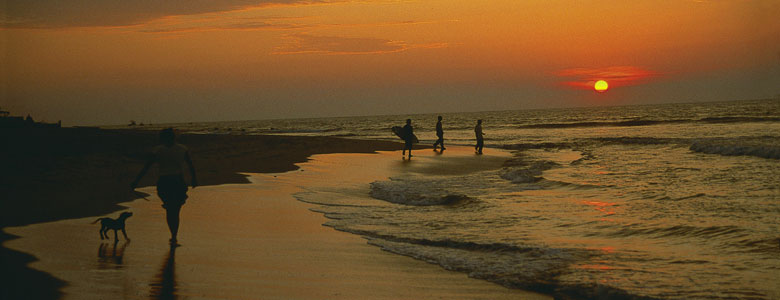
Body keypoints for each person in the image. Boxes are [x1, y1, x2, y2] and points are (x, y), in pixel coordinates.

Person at [132, 128, 197, 245]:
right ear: (174, 137)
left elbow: (146, 167)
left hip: (164, 182)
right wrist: (194, 179)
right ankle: (174, 236)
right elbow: (190, 165)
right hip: (178, 181)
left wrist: (136, 181)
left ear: (162, 138)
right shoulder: (182, 149)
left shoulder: (157, 150)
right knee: (176, 211)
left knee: (169, 209)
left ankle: (173, 235)